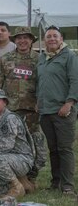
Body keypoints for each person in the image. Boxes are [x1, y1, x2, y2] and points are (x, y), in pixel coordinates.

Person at [0, 26, 46, 192]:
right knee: (13, 146)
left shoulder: (40, 60)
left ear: (31, 40)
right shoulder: (5, 58)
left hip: (33, 112)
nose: (22, 41)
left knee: (37, 148)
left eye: (26, 38)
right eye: (19, 38)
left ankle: (31, 177)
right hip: (11, 113)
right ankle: (17, 180)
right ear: (14, 40)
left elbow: (44, 83)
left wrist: (41, 102)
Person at [36, 25, 78, 195]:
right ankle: (56, 181)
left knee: (65, 149)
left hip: (63, 110)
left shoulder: (69, 56)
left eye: (55, 36)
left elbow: (75, 80)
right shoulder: (42, 58)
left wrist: (69, 103)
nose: (52, 39)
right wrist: (39, 100)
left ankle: (68, 185)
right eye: (48, 36)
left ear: (61, 39)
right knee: (52, 149)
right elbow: (40, 81)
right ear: (44, 40)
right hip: (46, 111)